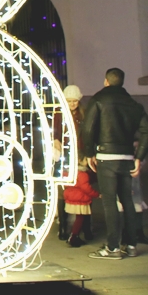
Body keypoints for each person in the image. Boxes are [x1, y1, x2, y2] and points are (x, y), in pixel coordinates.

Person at [82, 68, 148, 259]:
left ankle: (113, 247)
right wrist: (139, 157)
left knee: (110, 202)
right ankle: (131, 245)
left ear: (106, 81)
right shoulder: (134, 104)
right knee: (127, 200)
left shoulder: (98, 100)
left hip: (106, 156)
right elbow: (146, 131)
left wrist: (89, 153)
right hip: (127, 157)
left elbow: (88, 128)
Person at [56, 84, 85, 240]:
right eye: (70, 101)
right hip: (64, 155)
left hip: (79, 155)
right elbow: (55, 131)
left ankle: (84, 226)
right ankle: (63, 226)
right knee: (63, 191)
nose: (73, 104)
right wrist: (55, 139)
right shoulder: (59, 115)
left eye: (75, 101)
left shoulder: (82, 115)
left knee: (83, 189)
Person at [64, 157, 101, 247]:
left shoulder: (69, 172)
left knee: (78, 218)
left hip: (72, 197)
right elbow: (86, 188)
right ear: (80, 161)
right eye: (85, 160)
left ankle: (74, 235)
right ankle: (73, 236)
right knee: (80, 218)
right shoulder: (83, 174)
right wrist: (97, 194)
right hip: (81, 199)